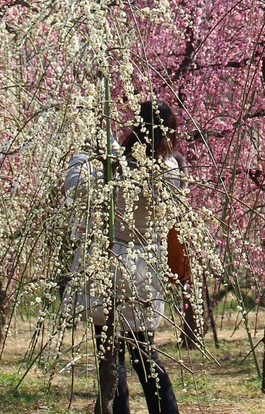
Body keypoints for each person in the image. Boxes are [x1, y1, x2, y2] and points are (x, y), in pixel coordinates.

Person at [64, 100, 188, 414]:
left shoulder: (115, 165)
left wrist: (85, 152)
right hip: (147, 270)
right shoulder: (170, 168)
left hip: (110, 266)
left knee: (111, 356)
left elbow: (76, 190)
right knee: (145, 356)